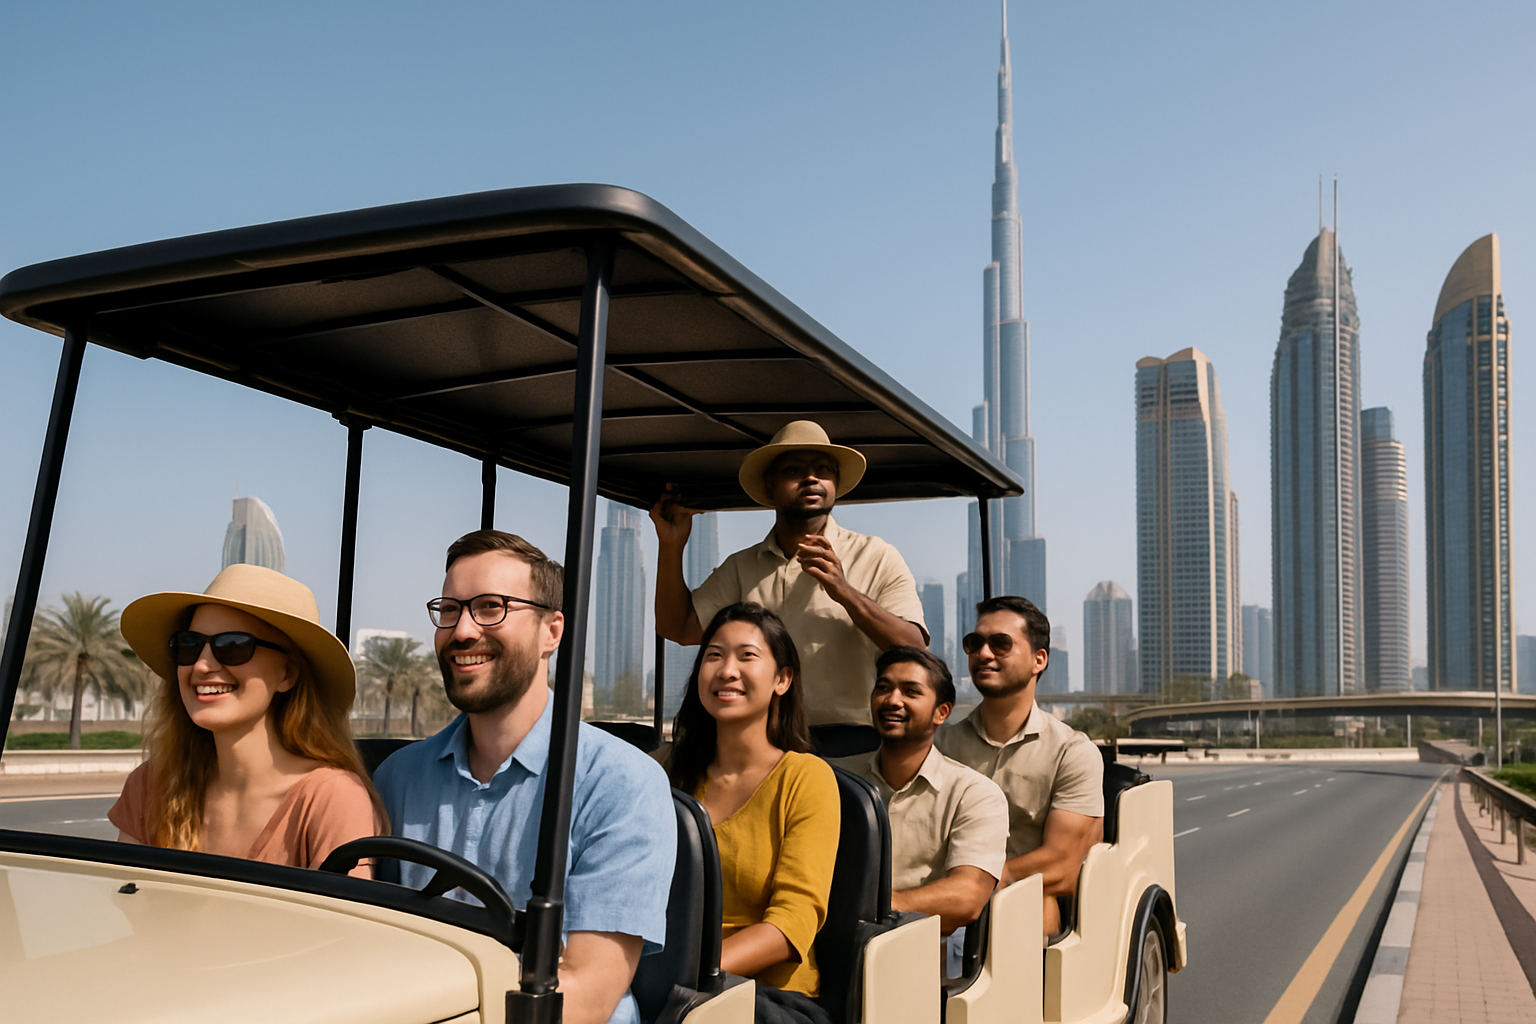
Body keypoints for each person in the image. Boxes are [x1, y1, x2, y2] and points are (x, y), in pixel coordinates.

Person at [374, 530, 675, 1024]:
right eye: (450, 610)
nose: (463, 630)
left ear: (552, 632)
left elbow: (587, 995)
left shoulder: (621, 783)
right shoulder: (398, 778)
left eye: (491, 607)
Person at [652, 420, 927, 737]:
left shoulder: (876, 556)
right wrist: (671, 545)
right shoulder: (742, 566)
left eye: (823, 469)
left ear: (835, 482)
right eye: (793, 470)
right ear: (769, 487)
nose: (811, 478)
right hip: (762, 743)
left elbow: (913, 649)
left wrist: (842, 590)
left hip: (851, 744)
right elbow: (678, 627)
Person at [111, 564, 383, 876]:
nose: (201, 665)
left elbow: (344, 922)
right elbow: (127, 906)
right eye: (189, 644)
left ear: (288, 673)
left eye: (233, 646)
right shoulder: (151, 785)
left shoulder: (332, 798)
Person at [665, 602, 839, 1023]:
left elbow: (791, 923)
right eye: (714, 655)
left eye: (747, 656)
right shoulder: (666, 771)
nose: (727, 670)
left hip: (771, 999)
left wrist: (689, 973)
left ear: (782, 679)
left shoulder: (805, 778)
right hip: (668, 981)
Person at [936, 596, 1104, 935]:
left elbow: (1061, 865)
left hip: (1023, 914)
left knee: (1039, 898)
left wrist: (973, 889)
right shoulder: (940, 746)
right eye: (974, 643)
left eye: (1000, 643)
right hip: (939, 911)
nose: (983, 654)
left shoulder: (1072, 752)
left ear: (1038, 660)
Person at [837, 646, 1007, 936]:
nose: (892, 700)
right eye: (883, 688)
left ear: (941, 712)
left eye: (911, 692)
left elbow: (966, 897)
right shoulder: (834, 779)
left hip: (921, 949)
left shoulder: (975, 794)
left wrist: (869, 910)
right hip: (827, 945)